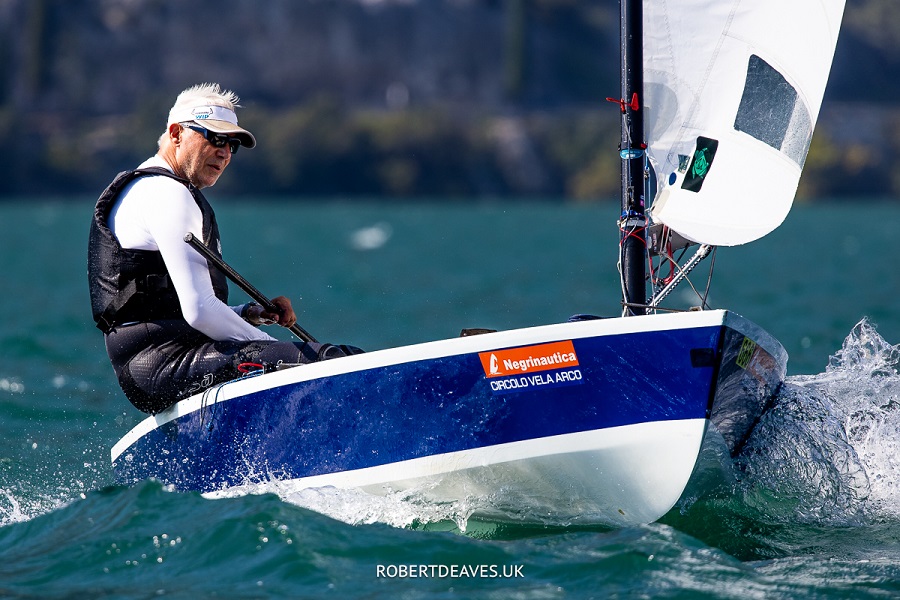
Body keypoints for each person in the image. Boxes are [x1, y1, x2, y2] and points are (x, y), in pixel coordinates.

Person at [88, 83, 361, 414]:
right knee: (333, 361)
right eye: (215, 138)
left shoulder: (153, 188)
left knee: (319, 360)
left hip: (156, 364)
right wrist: (281, 350)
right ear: (176, 134)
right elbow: (200, 311)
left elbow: (174, 310)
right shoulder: (166, 193)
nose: (225, 152)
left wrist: (248, 314)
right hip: (162, 362)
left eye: (232, 145)